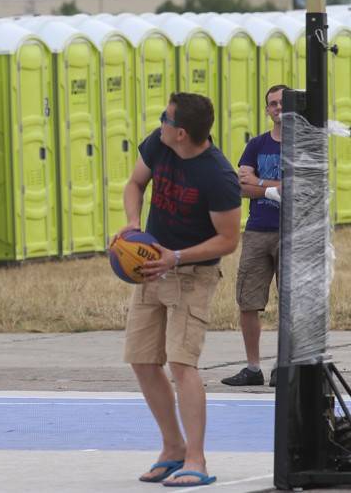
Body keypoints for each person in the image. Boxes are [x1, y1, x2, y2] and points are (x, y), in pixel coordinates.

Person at [117, 92, 241, 487]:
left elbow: (227, 240)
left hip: (192, 276)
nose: (160, 122)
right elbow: (135, 183)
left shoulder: (218, 176)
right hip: (152, 269)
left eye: (165, 119)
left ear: (182, 132)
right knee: (142, 360)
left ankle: (196, 459)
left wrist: (177, 256)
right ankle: (172, 449)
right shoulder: (159, 143)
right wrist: (133, 225)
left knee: (181, 364)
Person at [221, 84, 289, 389]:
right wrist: (275, 189)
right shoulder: (256, 145)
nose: (277, 108)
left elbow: (298, 189)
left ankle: (283, 366)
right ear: (267, 110)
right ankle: (252, 367)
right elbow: (240, 186)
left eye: (282, 103)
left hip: (291, 233)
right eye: (272, 104)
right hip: (257, 230)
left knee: (290, 302)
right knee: (248, 301)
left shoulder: (303, 145)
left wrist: (261, 183)